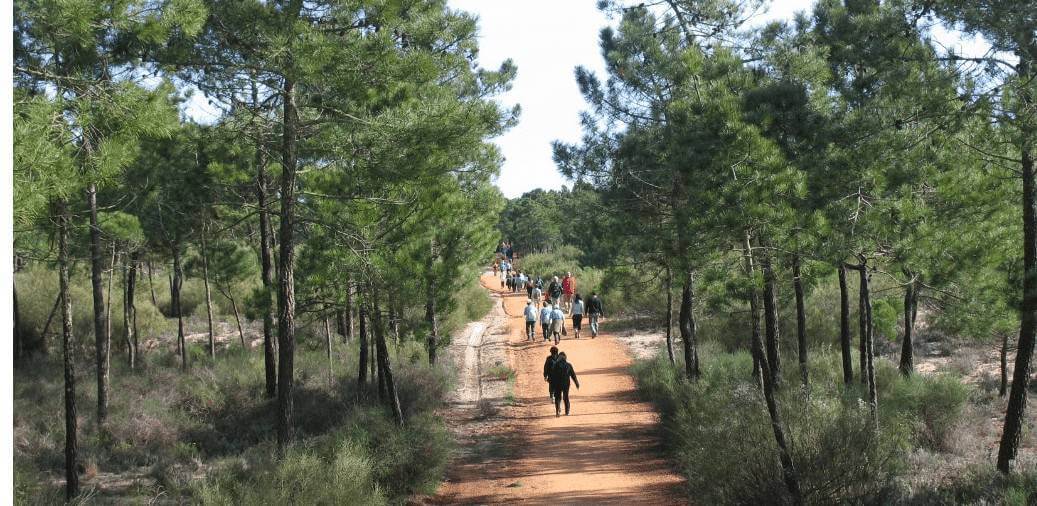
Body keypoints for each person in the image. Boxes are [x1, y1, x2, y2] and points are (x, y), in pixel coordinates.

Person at [549, 352, 580, 416]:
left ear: (559, 358)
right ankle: (567, 412)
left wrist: (551, 386)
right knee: (566, 397)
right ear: (565, 358)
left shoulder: (555, 365)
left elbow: (552, 376)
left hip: (557, 384)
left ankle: (557, 411)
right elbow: (573, 375)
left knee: (557, 397)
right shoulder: (569, 365)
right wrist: (576, 383)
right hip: (566, 384)